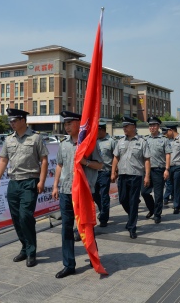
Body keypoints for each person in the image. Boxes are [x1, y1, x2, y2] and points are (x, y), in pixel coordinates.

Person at [0, 108, 49, 268]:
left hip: (30, 181)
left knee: (25, 216)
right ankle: (24, 247)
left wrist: (42, 181)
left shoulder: (36, 138)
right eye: (10, 121)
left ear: (23, 120)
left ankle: (31, 252)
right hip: (13, 183)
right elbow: (3, 160)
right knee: (16, 218)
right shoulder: (9, 139)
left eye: (15, 120)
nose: (12, 123)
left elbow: (44, 160)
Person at [52, 111, 104, 278]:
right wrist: (55, 185)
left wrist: (86, 162)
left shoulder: (89, 143)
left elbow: (100, 165)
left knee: (87, 226)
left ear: (79, 124)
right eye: (65, 124)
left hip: (83, 192)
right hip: (66, 191)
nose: (67, 127)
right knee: (66, 229)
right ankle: (69, 264)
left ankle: (93, 256)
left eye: (70, 123)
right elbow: (59, 165)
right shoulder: (63, 144)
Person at [111, 116, 151, 239]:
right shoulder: (120, 141)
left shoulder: (142, 142)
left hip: (135, 176)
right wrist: (113, 172)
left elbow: (147, 160)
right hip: (122, 175)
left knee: (133, 201)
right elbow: (116, 157)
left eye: (126, 126)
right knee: (122, 199)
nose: (124, 128)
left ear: (133, 127)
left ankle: (132, 227)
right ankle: (132, 216)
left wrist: (147, 176)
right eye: (123, 126)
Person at [142, 117, 171, 223]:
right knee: (144, 192)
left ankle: (157, 214)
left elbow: (168, 154)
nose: (152, 127)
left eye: (154, 125)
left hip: (159, 170)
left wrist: (167, 169)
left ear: (158, 126)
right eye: (150, 125)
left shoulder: (164, 139)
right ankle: (152, 209)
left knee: (158, 194)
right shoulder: (145, 139)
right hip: (146, 171)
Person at [93, 121, 116, 227]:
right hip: (94, 172)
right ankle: (102, 210)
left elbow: (116, 158)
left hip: (105, 172)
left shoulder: (111, 141)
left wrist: (114, 172)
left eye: (97, 131)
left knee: (104, 195)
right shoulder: (94, 141)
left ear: (102, 130)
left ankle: (104, 218)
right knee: (94, 194)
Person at [165, 124, 180, 214]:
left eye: (167, 131)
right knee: (171, 186)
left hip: (178, 166)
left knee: (176, 186)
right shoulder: (168, 140)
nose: (166, 133)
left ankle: (176, 206)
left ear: (171, 130)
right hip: (169, 166)